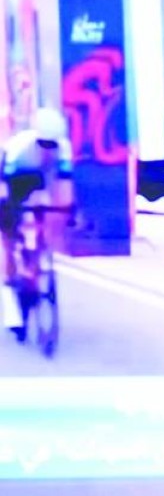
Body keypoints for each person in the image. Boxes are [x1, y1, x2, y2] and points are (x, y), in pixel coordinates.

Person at [1, 107, 74, 338]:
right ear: (36, 138)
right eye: (44, 144)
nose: (48, 150)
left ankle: (35, 264)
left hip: (38, 180)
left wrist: (65, 211)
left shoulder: (64, 149)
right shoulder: (19, 149)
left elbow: (65, 186)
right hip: (13, 178)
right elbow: (4, 188)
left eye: (52, 145)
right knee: (9, 237)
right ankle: (10, 297)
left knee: (50, 213)